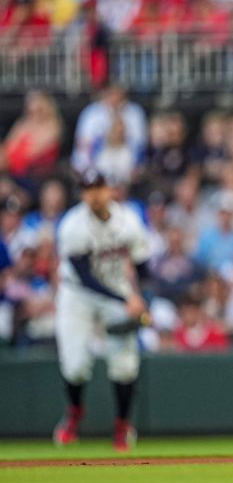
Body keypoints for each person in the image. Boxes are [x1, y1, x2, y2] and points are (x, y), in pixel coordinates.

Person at [52, 170, 151, 451]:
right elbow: (85, 277)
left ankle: (122, 425)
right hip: (77, 295)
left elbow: (143, 266)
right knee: (76, 368)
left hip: (118, 290)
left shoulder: (130, 221)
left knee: (125, 366)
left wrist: (142, 299)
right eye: (87, 189)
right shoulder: (72, 226)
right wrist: (127, 301)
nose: (94, 194)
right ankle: (74, 413)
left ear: (110, 190)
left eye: (98, 187)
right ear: (82, 194)